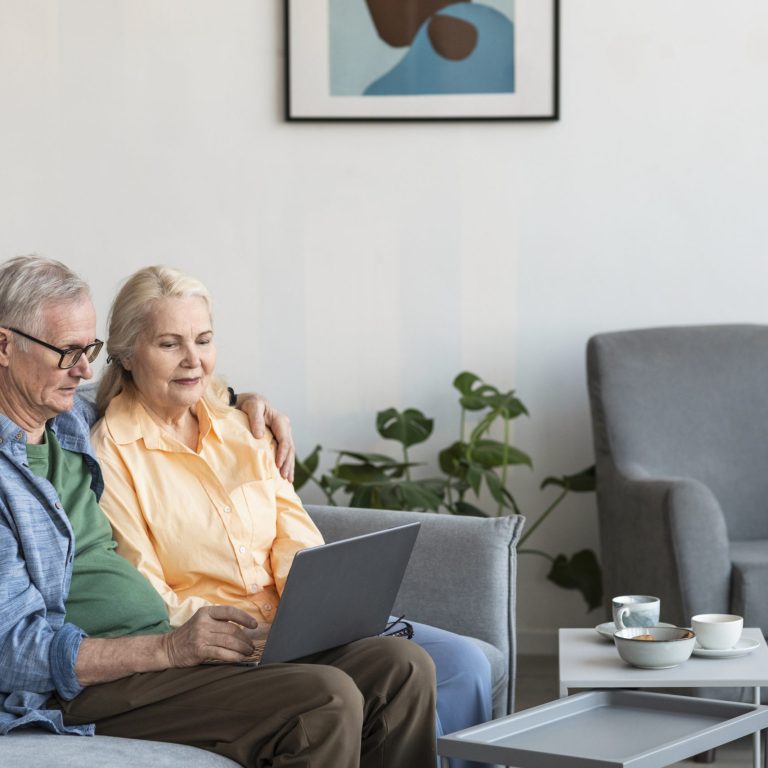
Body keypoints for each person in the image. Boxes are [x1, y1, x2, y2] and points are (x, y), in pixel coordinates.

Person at [0, 255, 438, 768]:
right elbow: (16, 652)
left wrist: (240, 398)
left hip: (164, 653)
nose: (83, 368)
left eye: (89, 349)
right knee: (324, 698)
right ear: (4, 346)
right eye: (68, 352)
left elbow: (150, 380)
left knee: (400, 666)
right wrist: (169, 650)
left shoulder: (67, 415)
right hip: (91, 683)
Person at [90, 265, 492, 768]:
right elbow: (145, 591)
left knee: (406, 664)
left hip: (289, 627)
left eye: (204, 340)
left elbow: (294, 535)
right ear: (127, 354)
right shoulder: (111, 453)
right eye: (169, 344)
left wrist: (314, 610)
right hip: (219, 643)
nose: (194, 360)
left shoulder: (242, 427)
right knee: (342, 688)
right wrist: (242, 633)